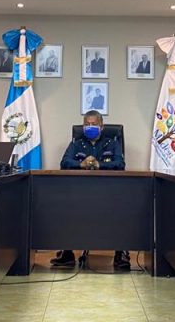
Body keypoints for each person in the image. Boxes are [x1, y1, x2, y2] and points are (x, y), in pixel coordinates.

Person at [52, 111, 127, 270]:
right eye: (87, 124)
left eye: (94, 124)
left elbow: (120, 164)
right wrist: (81, 164)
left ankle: (121, 254)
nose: (90, 127)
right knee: (62, 205)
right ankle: (67, 254)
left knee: (123, 207)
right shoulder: (76, 144)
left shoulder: (112, 143)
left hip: (108, 192)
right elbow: (64, 162)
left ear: (102, 126)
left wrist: (100, 165)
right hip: (80, 191)